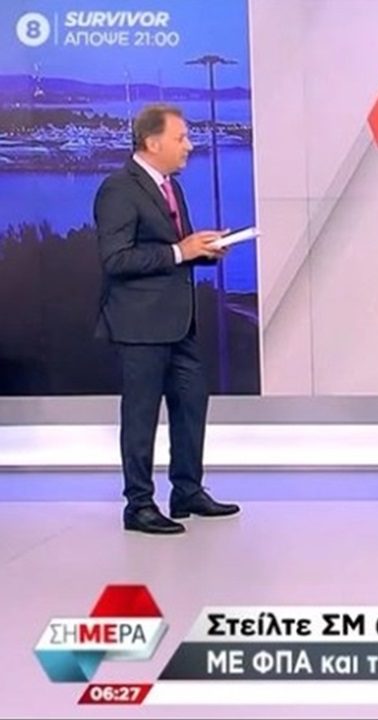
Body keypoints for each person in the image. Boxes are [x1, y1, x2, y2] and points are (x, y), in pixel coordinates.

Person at [94, 103, 241, 535]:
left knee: (192, 405)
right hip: (139, 325)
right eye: (181, 138)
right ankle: (139, 504)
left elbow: (176, 249)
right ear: (152, 142)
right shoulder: (118, 189)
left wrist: (204, 251)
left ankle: (187, 491)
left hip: (180, 323)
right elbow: (116, 259)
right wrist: (181, 251)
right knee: (141, 416)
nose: (189, 145)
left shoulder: (171, 187)